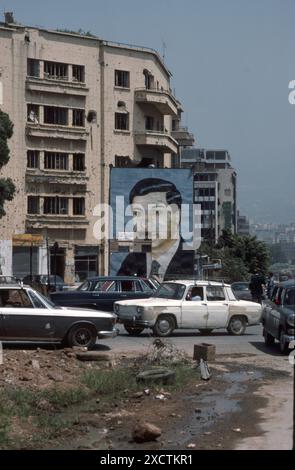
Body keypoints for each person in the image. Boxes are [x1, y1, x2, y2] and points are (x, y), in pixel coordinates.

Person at [117, 178, 194, 279]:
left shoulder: (192, 260)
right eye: (137, 213)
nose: (145, 224)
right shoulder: (131, 261)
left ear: (176, 214)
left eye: (156, 212)